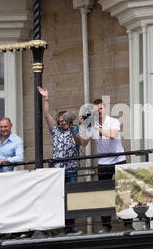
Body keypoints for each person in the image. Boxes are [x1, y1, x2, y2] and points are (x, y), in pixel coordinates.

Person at [38, 85, 82, 235]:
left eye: (64, 121)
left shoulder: (74, 129)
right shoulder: (55, 131)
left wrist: (71, 130)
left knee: (71, 198)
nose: (62, 123)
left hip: (71, 169)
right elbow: (46, 115)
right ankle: (55, 228)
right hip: (57, 170)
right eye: (60, 121)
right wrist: (46, 98)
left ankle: (70, 228)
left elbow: (79, 142)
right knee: (57, 198)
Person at [80, 98, 127, 233]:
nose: (99, 112)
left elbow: (112, 135)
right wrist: (83, 127)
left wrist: (96, 127)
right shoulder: (91, 124)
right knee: (103, 193)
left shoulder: (114, 121)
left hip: (118, 159)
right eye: (96, 110)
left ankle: (127, 221)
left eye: (101, 109)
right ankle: (106, 225)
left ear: (105, 109)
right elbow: (84, 143)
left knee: (123, 191)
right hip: (104, 162)